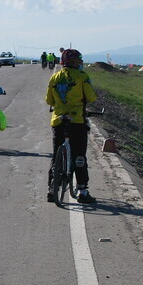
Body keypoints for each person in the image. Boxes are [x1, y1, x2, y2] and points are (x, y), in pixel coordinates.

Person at [46, 48, 98, 204]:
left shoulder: (54, 77)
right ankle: (83, 191)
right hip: (77, 121)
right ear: (75, 61)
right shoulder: (82, 76)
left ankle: (51, 189)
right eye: (79, 59)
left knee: (56, 155)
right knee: (79, 155)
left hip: (58, 121)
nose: (81, 62)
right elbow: (91, 97)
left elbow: (49, 101)